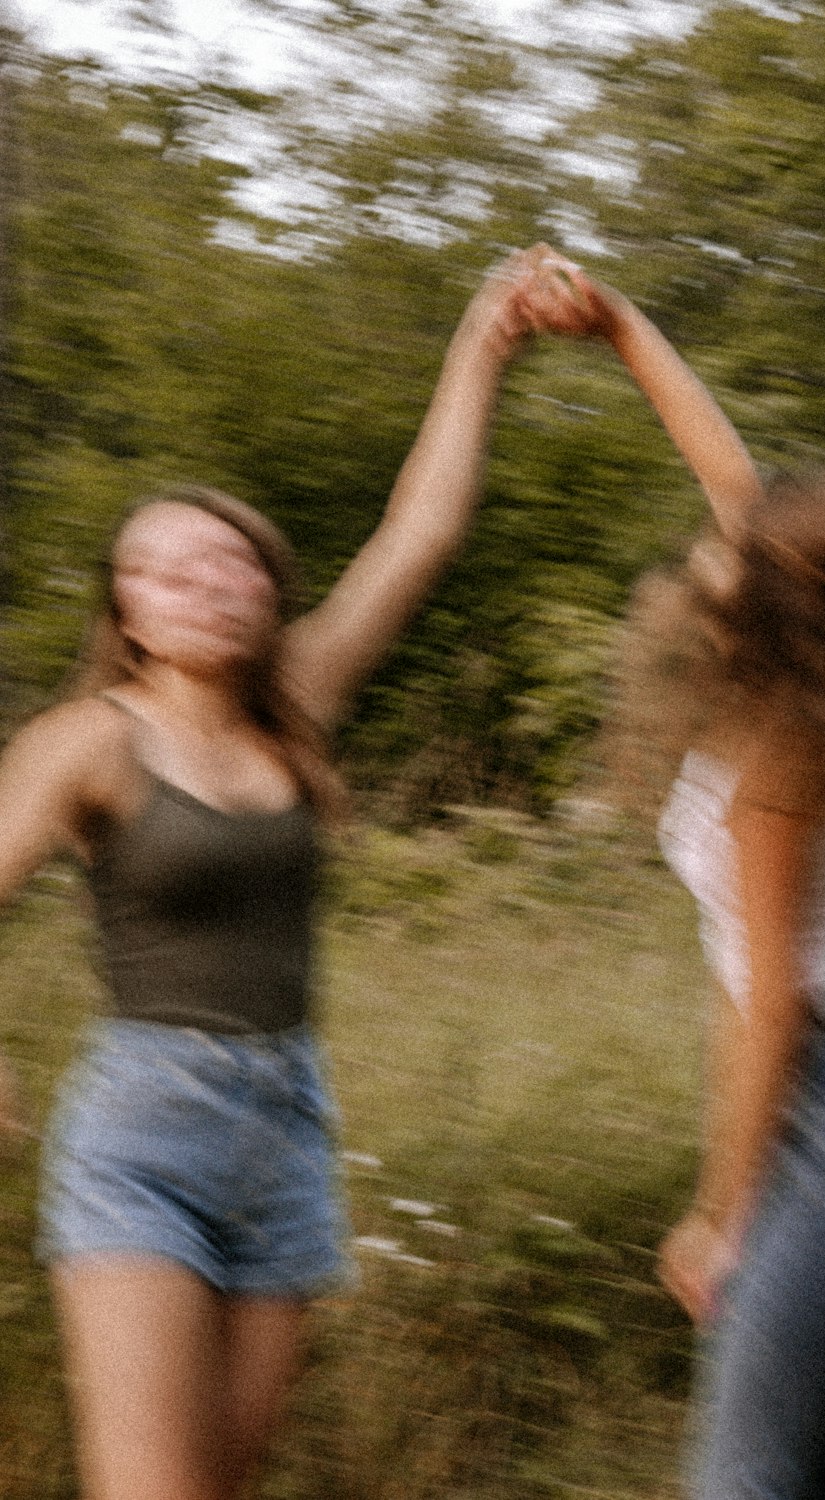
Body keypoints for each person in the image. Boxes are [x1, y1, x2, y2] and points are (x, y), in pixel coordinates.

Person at [0, 245, 588, 1500]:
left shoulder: (297, 710)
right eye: (166, 567)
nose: (207, 582)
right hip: (140, 1134)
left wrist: (486, 338)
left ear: (267, 590)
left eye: (233, 562)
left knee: (224, 1481)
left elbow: (421, 531)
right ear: (127, 609)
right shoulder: (89, 740)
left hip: (290, 1133)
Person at [539, 257, 825, 1498]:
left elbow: (770, 1001)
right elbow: (731, 471)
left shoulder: (780, 755)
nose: (709, 533)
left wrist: (719, 1212)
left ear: (764, 595)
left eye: (726, 540)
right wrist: (623, 327)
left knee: (746, 1484)